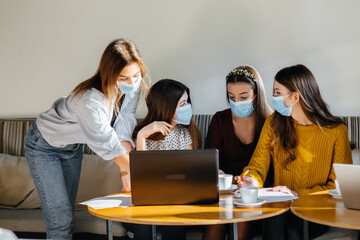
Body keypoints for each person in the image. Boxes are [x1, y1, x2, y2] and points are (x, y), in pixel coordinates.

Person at [24, 39, 149, 240]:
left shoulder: (131, 89)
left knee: (67, 214)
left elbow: (123, 127)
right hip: (43, 145)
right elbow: (109, 145)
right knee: (60, 219)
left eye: (136, 75)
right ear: (109, 74)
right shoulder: (91, 101)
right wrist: (145, 175)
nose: (132, 83)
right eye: (124, 78)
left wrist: (127, 172)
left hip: (72, 147)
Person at [237, 64, 353, 239]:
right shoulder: (273, 122)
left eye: (277, 92)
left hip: (316, 208)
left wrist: (297, 194)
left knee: (294, 227)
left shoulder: (336, 131)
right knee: (275, 220)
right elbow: (257, 166)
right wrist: (250, 180)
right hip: (280, 205)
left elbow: (340, 187)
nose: (273, 98)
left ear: (296, 97)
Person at [124, 79, 202, 240]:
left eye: (187, 102)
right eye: (182, 104)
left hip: (174, 204)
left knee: (173, 222)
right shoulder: (141, 132)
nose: (188, 108)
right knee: (143, 223)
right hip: (144, 204)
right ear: (166, 107)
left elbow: (190, 172)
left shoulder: (184, 132)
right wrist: (142, 136)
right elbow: (140, 177)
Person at [203, 65, 272, 240]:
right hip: (225, 192)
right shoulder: (220, 119)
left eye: (243, 97)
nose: (237, 102)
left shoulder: (271, 122)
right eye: (231, 97)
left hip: (256, 193)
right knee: (216, 222)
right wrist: (216, 172)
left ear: (256, 95)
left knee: (243, 215)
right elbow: (210, 161)